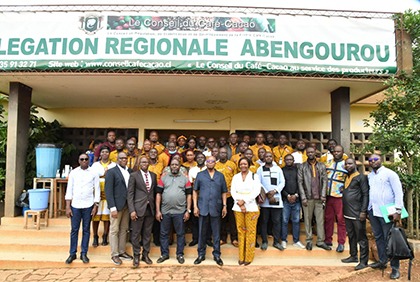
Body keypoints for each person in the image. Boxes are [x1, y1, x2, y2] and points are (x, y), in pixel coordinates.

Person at [367, 154, 404, 280]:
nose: (373, 162)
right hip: (374, 211)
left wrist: (398, 210)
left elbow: (398, 192)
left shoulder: (390, 174)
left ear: (381, 160)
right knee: (378, 237)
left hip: (388, 211)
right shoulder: (370, 176)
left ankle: (395, 268)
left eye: (375, 159)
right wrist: (368, 209)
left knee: (391, 240)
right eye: (370, 160)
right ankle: (382, 261)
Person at [155, 158, 192, 264]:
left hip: (180, 211)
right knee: (164, 234)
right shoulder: (164, 178)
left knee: (180, 234)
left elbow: (189, 195)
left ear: (180, 167)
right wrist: (158, 211)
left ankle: (180, 254)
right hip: (165, 211)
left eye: (176, 165)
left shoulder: (185, 179)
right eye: (173, 165)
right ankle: (164, 254)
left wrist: (188, 211)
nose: (175, 166)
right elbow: (158, 194)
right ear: (169, 166)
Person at [65, 153, 100, 264]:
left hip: (88, 205)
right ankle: (72, 253)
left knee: (86, 230)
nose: (84, 161)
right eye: (82, 159)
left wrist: (96, 206)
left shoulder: (94, 173)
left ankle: (84, 253)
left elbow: (97, 190)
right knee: (74, 230)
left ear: (89, 160)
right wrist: (67, 207)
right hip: (75, 205)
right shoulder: (74, 173)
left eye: (86, 159)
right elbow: (69, 189)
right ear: (79, 161)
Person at [193, 156, 228, 266]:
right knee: (202, 232)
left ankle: (217, 255)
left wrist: (224, 206)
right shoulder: (200, 175)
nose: (210, 163)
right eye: (208, 161)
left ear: (215, 163)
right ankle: (201, 254)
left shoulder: (220, 176)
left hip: (216, 208)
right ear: (205, 163)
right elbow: (195, 191)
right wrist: (195, 206)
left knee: (216, 233)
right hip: (203, 207)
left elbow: (224, 192)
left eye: (213, 161)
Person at [297, 147, 331, 251]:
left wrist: (323, 195)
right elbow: (300, 182)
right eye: (308, 152)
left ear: (315, 152)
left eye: (312, 151)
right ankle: (309, 241)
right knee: (307, 220)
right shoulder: (302, 167)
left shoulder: (321, 165)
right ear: (306, 154)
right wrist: (303, 197)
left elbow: (325, 180)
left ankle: (320, 241)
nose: (310, 153)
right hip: (307, 198)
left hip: (319, 198)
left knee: (320, 220)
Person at [127, 156, 158, 268]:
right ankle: (136, 255)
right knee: (135, 234)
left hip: (150, 209)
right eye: (142, 162)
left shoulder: (153, 176)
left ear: (149, 163)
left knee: (147, 234)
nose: (145, 163)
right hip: (138, 209)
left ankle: (145, 254)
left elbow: (154, 193)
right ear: (139, 164)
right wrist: (132, 210)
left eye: (146, 161)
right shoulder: (134, 175)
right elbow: (130, 194)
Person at [231, 157, 261, 265]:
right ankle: (241, 256)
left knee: (250, 232)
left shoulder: (254, 176)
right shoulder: (235, 177)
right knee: (240, 231)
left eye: (245, 164)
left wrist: (244, 201)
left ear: (249, 164)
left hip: (251, 207)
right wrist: (239, 202)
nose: (243, 166)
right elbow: (233, 191)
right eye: (241, 164)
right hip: (237, 206)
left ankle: (248, 257)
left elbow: (256, 191)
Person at [105, 152, 133, 265]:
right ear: (117, 159)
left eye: (125, 158)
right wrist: (112, 207)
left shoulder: (130, 171)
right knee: (114, 230)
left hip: (127, 205)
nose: (123, 160)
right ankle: (114, 254)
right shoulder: (111, 172)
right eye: (121, 158)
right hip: (116, 206)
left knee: (124, 229)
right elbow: (108, 191)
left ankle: (122, 251)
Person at [341, 158, 369, 271]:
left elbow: (365, 194)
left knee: (361, 238)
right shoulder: (347, 176)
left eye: (350, 163)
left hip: (357, 213)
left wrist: (363, 211)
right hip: (347, 212)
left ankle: (363, 261)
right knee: (351, 236)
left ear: (355, 164)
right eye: (346, 164)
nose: (348, 165)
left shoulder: (361, 177)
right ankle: (353, 256)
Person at [257, 152, 285, 251]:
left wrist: (274, 191)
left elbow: (282, 182)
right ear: (263, 158)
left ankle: (276, 242)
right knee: (264, 221)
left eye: (270, 156)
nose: (268, 158)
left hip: (276, 198)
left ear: (273, 158)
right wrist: (267, 193)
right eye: (266, 156)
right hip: (265, 199)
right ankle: (264, 241)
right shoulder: (260, 169)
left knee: (276, 221)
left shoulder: (278, 169)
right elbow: (258, 183)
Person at [90, 146, 116, 247]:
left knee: (106, 217)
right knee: (95, 217)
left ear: (109, 154)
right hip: (97, 192)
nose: (105, 153)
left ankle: (105, 236)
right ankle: (95, 236)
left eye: (106, 152)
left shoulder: (113, 165)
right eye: (103, 152)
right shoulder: (95, 165)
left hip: (108, 193)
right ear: (100, 154)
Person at [324, 145, 348, 252]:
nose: (336, 153)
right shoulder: (328, 162)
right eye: (335, 151)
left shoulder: (346, 164)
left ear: (343, 152)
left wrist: (346, 188)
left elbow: (351, 178)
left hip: (339, 196)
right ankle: (328, 240)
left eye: (339, 151)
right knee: (328, 219)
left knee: (341, 220)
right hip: (328, 195)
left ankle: (341, 242)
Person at [281, 154, 305, 249]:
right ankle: (283, 240)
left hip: (296, 198)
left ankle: (296, 240)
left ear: (293, 160)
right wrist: (287, 195)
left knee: (296, 221)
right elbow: (280, 184)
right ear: (284, 160)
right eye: (287, 159)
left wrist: (296, 195)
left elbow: (301, 183)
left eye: (291, 159)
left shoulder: (298, 170)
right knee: (284, 220)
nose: (289, 161)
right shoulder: (282, 170)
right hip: (285, 199)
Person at [215, 147, 238, 247]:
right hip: (218, 196)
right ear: (218, 154)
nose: (223, 154)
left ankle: (234, 238)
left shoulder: (232, 164)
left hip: (231, 195)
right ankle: (222, 238)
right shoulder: (215, 165)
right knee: (221, 218)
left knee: (232, 218)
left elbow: (236, 178)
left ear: (227, 154)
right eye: (221, 153)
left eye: (224, 153)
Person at [188, 153, 208, 246]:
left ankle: (207, 239)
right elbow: (190, 183)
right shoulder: (192, 170)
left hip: (206, 196)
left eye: (202, 157)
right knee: (195, 218)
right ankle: (195, 238)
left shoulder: (208, 169)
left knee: (207, 218)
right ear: (196, 159)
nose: (200, 159)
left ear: (205, 159)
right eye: (198, 157)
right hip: (195, 195)